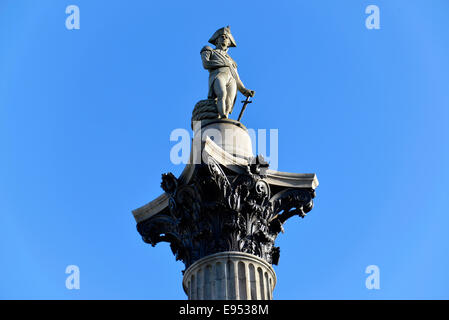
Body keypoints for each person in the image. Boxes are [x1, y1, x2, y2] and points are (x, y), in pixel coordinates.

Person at [201, 26, 255, 118]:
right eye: (222, 36)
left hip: (231, 80)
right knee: (222, 94)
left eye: (227, 38)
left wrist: (244, 90)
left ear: (229, 43)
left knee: (229, 101)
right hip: (219, 75)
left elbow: (236, 78)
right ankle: (222, 116)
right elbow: (206, 64)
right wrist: (224, 63)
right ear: (217, 40)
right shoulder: (210, 50)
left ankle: (225, 117)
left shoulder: (232, 61)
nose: (224, 39)